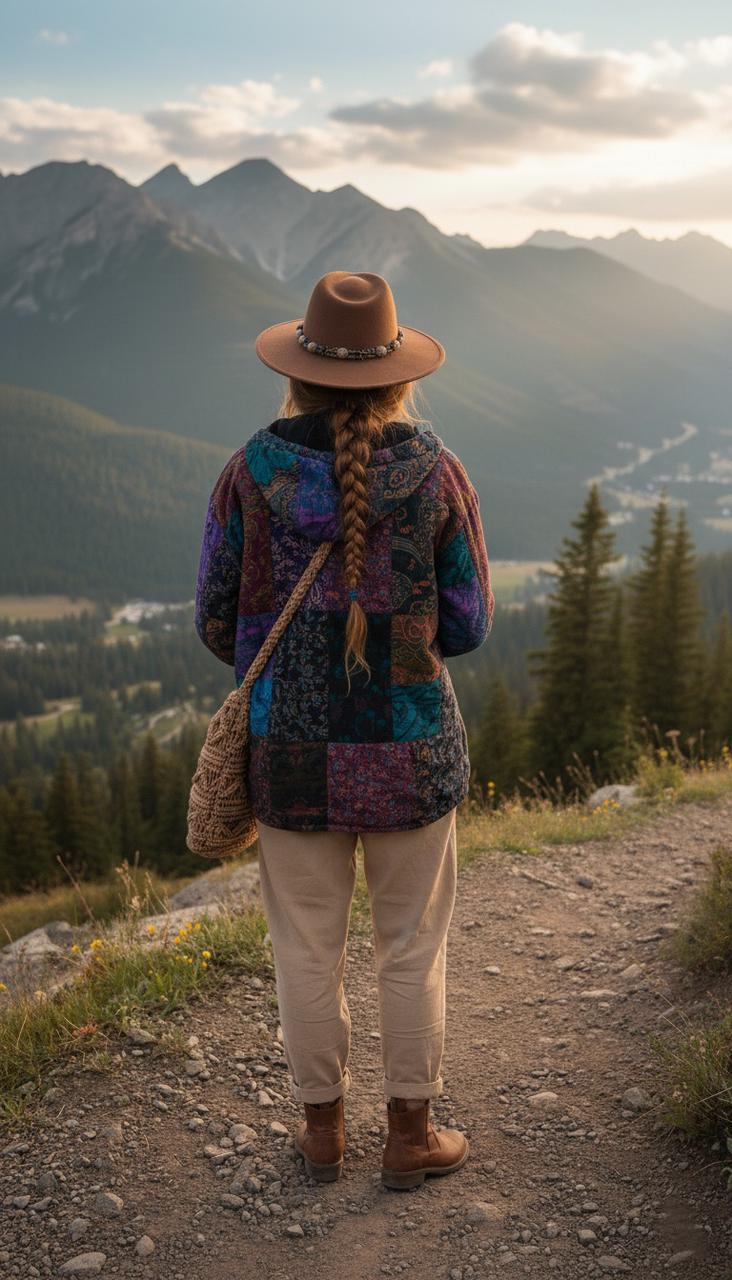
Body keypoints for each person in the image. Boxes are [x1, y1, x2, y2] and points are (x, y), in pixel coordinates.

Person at [194, 270, 493, 1190]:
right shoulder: (438, 470)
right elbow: (468, 622)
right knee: (412, 945)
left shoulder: (250, 471)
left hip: (288, 751)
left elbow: (214, 619)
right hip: (411, 752)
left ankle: (322, 1132)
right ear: (398, 374)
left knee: (305, 948)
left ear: (299, 373)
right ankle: (411, 1135)